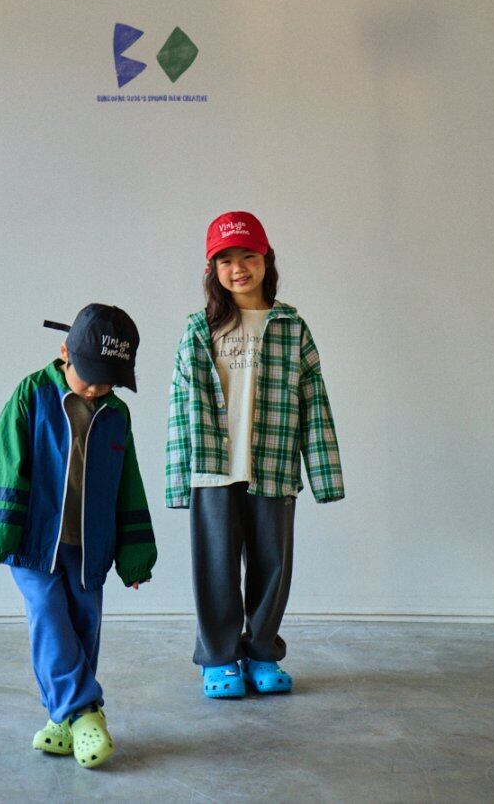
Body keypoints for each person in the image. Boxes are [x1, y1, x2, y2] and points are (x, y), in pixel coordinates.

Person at [166, 211, 344, 698]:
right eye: (226, 260)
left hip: (273, 464)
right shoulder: (199, 329)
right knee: (216, 569)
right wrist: (178, 481)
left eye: (248, 256)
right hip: (213, 468)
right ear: (212, 270)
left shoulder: (292, 326)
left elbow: (314, 400)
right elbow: (179, 405)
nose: (238, 268)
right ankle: (220, 659)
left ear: (267, 259)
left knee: (272, 567)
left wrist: (325, 476)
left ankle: (263, 652)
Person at [0, 303, 156, 767]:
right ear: (64, 353)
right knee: (49, 616)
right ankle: (85, 712)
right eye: (90, 376)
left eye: (108, 381)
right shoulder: (32, 395)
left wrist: (135, 555)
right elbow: (4, 461)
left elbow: (128, 483)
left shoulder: (116, 414)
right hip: (33, 540)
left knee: (84, 624)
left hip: (90, 542)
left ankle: (62, 719)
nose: (95, 388)